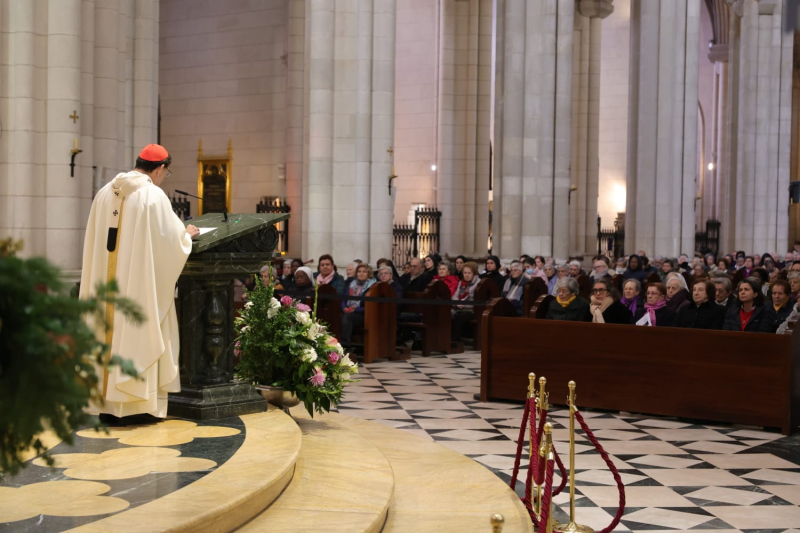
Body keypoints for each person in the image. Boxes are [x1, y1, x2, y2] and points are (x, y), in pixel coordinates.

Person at [79, 143, 198, 419]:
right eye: (166, 172)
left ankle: (105, 404)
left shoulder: (104, 193)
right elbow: (169, 241)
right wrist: (187, 235)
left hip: (106, 289)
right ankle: (137, 407)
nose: (163, 177)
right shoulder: (152, 195)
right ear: (159, 168)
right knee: (138, 330)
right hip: (135, 288)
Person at [339, 264, 377, 351]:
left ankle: (345, 346)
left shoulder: (372, 286)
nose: (361, 274)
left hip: (363, 314)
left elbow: (371, 306)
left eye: (364, 272)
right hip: (349, 311)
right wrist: (344, 308)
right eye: (359, 271)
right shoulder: (352, 284)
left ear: (369, 273)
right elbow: (344, 299)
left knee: (347, 317)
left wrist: (356, 309)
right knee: (339, 316)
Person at [451, 262, 480, 342]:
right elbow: (455, 296)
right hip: (459, 307)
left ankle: (455, 341)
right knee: (447, 313)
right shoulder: (461, 282)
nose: (467, 275)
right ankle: (446, 339)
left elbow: (476, 301)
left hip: (471, 310)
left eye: (469, 273)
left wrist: (463, 305)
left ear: (474, 273)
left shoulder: (478, 283)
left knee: (459, 317)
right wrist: (457, 302)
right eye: (465, 273)